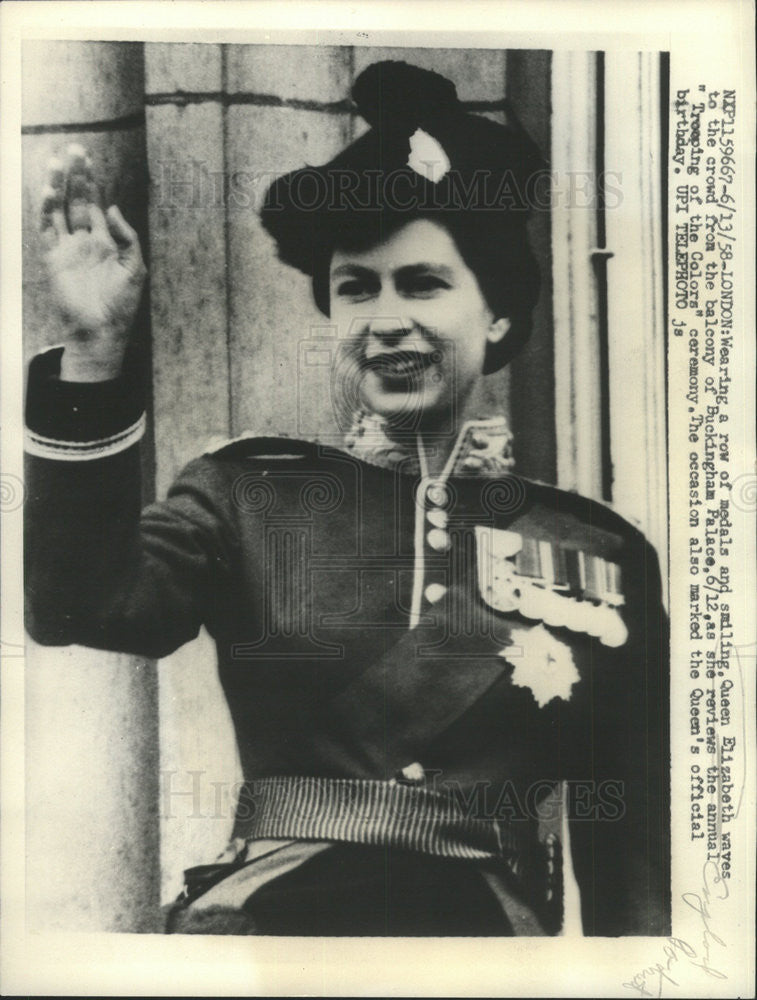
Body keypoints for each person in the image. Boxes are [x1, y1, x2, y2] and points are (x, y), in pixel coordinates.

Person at [25, 60, 670, 936]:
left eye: (423, 283)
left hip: (487, 952)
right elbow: (81, 604)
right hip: (271, 935)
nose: (384, 318)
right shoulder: (249, 492)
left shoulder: (600, 551)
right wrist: (95, 354)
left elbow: (625, 839)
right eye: (356, 289)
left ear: (497, 314)